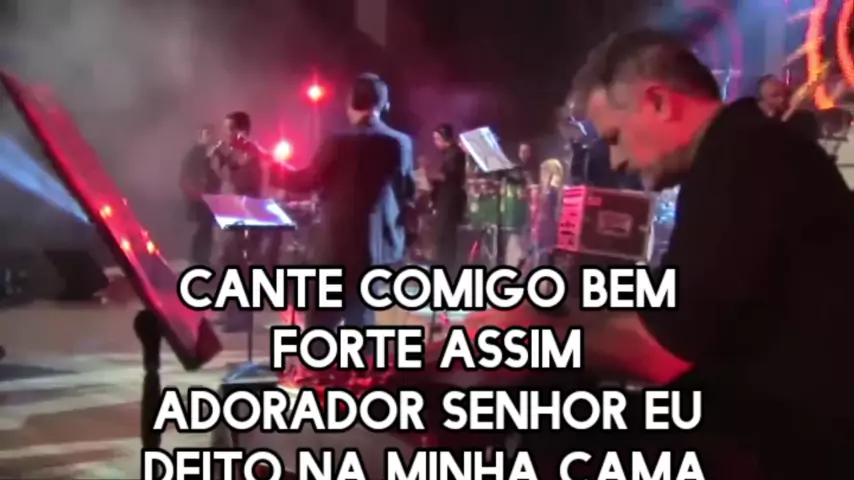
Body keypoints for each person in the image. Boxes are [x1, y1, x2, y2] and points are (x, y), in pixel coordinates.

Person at [471, 30, 853, 478]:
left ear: (658, 102)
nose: (616, 161)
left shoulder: (744, 158)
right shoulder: (739, 149)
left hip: (790, 444)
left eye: (615, 137)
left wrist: (527, 336)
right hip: (767, 421)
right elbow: (678, 314)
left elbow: (664, 351)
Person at [277, 73, 414, 328]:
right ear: (385, 105)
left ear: (349, 103)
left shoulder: (336, 141)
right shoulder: (401, 142)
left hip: (334, 247)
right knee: (361, 322)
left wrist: (270, 165)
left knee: (321, 325)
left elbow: (304, 181)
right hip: (375, 252)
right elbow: (406, 193)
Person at [179, 124, 221, 265]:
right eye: (207, 134)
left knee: (207, 228)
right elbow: (186, 176)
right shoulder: (194, 154)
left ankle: (203, 258)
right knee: (202, 228)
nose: (210, 138)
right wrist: (195, 194)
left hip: (208, 198)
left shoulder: (213, 154)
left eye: (211, 134)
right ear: (200, 136)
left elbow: (215, 176)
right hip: (199, 198)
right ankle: (199, 258)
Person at [430, 123, 467, 273]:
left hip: (450, 201)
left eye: (437, 138)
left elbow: (449, 177)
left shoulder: (456, 154)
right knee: (443, 238)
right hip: (446, 200)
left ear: (444, 137)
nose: (435, 143)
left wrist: (430, 173)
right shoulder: (449, 153)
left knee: (445, 238)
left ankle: (446, 272)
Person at [756, 74, 821, 142]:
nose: (782, 99)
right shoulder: (757, 122)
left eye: (783, 93)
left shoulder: (804, 117)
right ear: (762, 102)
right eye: (775, 96)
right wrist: (792, 108)